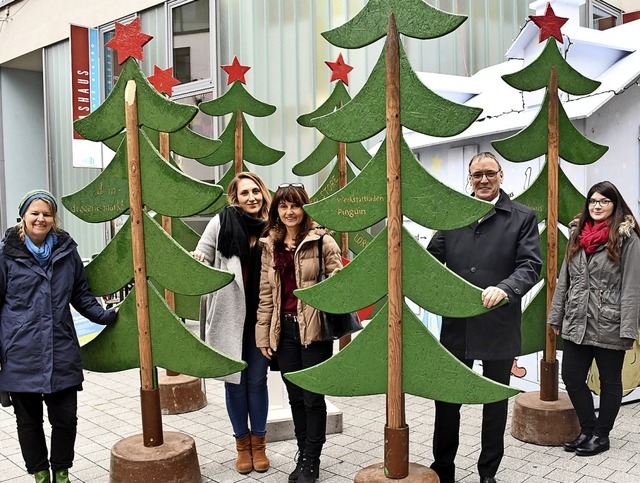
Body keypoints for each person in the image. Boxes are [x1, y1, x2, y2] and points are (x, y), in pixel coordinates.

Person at [427, 152, 542, 483]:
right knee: (448, 399)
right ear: (470, 178)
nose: (483, 180)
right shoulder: (454, 216)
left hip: (499, 326)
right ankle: (443, 467)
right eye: (477, 175)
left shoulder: (522, 217)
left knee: (495, 403)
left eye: (489, 173)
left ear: (501, 175)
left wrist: (506, 288)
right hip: (457, 326)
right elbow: (432, 259)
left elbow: (530, 266)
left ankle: (488, 471)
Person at [0, 189, 117, 483]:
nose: (41, 218)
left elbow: (81, 294)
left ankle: (61, 473)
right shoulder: (6, 254)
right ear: (23, 216)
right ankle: (40, 475)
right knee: (28, 421)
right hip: (19, 351)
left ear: (54, 219)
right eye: (35, 213)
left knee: (65, 419)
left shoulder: (66, 251)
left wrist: (107, 316)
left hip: (60, 346)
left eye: (47, 214)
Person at [256, 183, 342, 483]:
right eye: (283, 206)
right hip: (285, 331)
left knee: (313, 398)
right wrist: (263, 334)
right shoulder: (270, 244)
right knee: (294, 397)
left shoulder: (322, 241)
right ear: (277, 210)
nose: (290, 211)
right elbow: (266, 294)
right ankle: (303, 452)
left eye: (295, 205)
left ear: (305, 207)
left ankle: (311, 460)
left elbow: (338, 284)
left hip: (315, 331)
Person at [549, 181, 640, 456]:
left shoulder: (628, 240)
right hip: (577, 320)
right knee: (572, 377)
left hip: (610, 322)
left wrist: (628, 328)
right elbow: (563, 280)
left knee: (610, 381)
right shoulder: (577, 236)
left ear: (615, 205)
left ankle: (602, 435)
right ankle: (588, 429)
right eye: (593, 201)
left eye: (604, 201)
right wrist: (556, 317)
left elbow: (632, 286)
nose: (597, 206)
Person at [191, 172, 272, 474]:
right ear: (234, 197)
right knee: (234, 384)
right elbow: (205, 252)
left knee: (256, 381)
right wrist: (199, 257)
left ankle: (260, 444)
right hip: (229, 316)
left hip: (261, 319)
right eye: (244, 193)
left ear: (263, 193)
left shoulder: (272, 226)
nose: (251, 197)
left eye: (255, 191)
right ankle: (242, 445)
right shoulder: (221, 222)